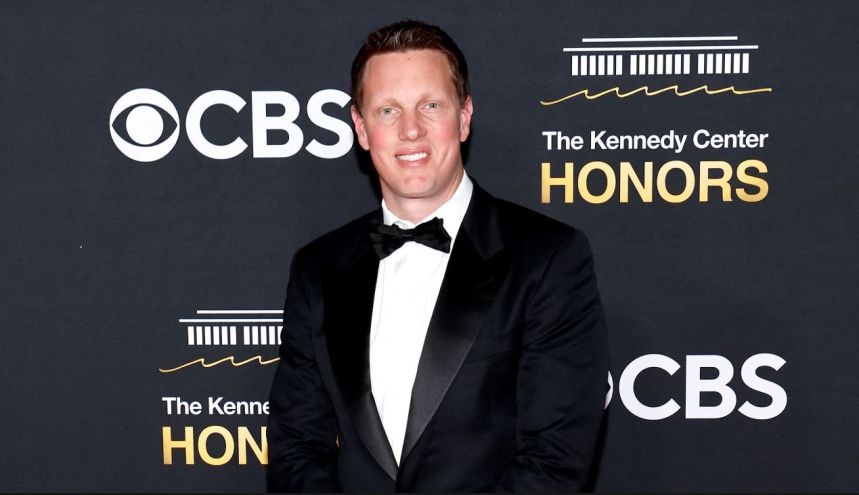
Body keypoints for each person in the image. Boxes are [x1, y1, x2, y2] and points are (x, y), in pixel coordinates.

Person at [267, 19, 609, 492]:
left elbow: (554, 459)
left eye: (430, 105)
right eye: (388, 110)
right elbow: (296, 446)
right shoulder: (317, 268)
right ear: (361, 128)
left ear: (464, 117)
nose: (410, 130)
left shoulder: (547, 258)